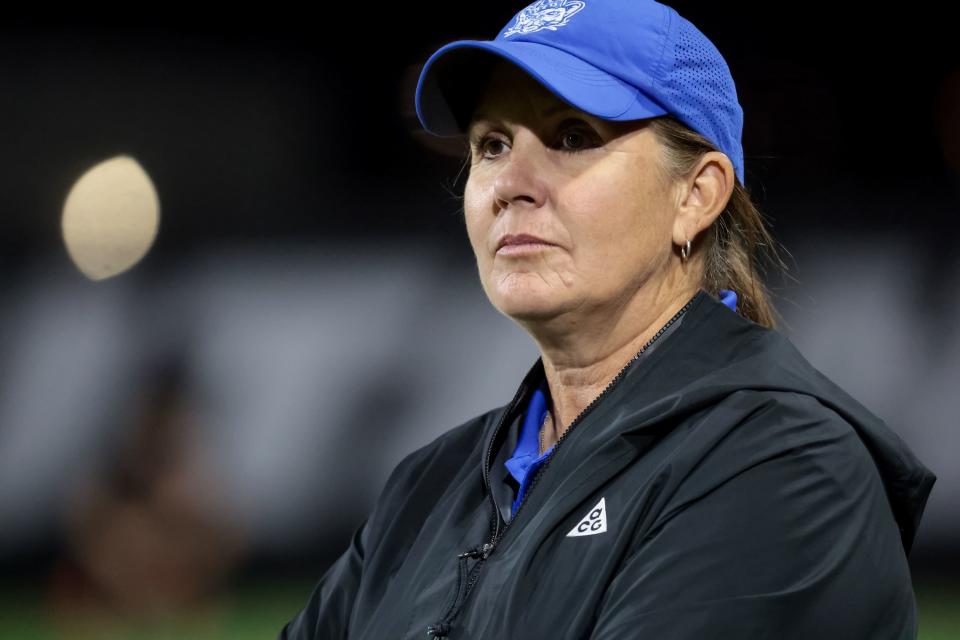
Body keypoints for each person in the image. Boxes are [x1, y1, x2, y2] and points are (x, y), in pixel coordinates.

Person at [278, 1, 937, 638]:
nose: (512, 182)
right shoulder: (428, 488)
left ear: (696, 195)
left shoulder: (785, 467)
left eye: (572, 136)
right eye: (493, 144)